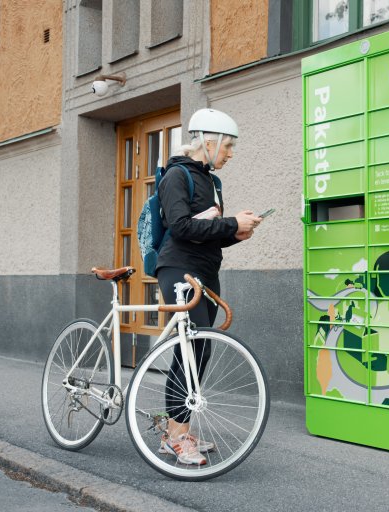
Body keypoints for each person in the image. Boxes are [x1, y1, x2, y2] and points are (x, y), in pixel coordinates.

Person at [155, 108, 261, 465]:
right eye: (228, 146)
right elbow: (182, 227)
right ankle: (175, 436)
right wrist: (230, 223)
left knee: (199, 351)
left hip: (206, 271)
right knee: (189, 351)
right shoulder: (176, 176)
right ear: (207, 141)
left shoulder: (213, 183)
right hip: (177, 269)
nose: (230, 153)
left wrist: (237, 233)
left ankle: (176, 429)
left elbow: (210, 236)